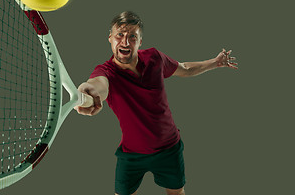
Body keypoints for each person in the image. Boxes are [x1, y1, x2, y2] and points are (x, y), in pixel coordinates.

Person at [75, 11, 238, 195]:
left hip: (169, 148)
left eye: (132, 37)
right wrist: (87, 91)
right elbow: (98, 85)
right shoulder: (106, 72)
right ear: (110, 39)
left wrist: (214, 63)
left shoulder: (155, 58)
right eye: (119, 35)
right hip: (132, 155)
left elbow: (184, 68)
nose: (125, 42)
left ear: (140, 42)